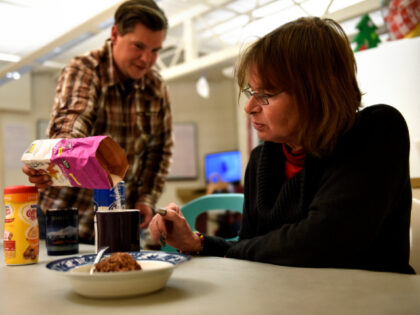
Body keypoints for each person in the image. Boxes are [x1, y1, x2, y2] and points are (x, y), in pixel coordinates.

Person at [149, 17, 414, 274]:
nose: (249, 107)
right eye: (251, 93)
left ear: (315, 93)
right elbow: (254, 248)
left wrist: (230, 249)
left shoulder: (376, 131)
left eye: (265, 95)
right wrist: (196, 242)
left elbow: (322, 242)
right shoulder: (263, 159)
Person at [22, 0, 173, 244]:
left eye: (155, 50)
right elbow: (73, 117)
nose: (146, 59)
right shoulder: (84, 69)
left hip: (119, 221)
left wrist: (146, 198)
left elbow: (159, 151)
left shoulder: (156, 88)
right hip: (64, 218)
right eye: (138, 46)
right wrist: (57, 156)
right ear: (114, 34)